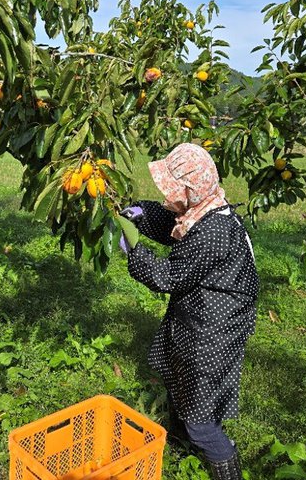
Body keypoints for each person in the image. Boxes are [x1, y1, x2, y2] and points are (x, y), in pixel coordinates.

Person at [118, 143, 258, 480]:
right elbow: (172, 220)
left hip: (214, 330)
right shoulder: (204, 212)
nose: (165, 197)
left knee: (202, 421)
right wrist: (142, 212)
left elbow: (169, 276)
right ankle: (183, 439)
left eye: (170, 190)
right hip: (202, 318)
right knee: (181, 379)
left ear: (191, 189)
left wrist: (136, 251)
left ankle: (219, 457)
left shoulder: (212, 233)